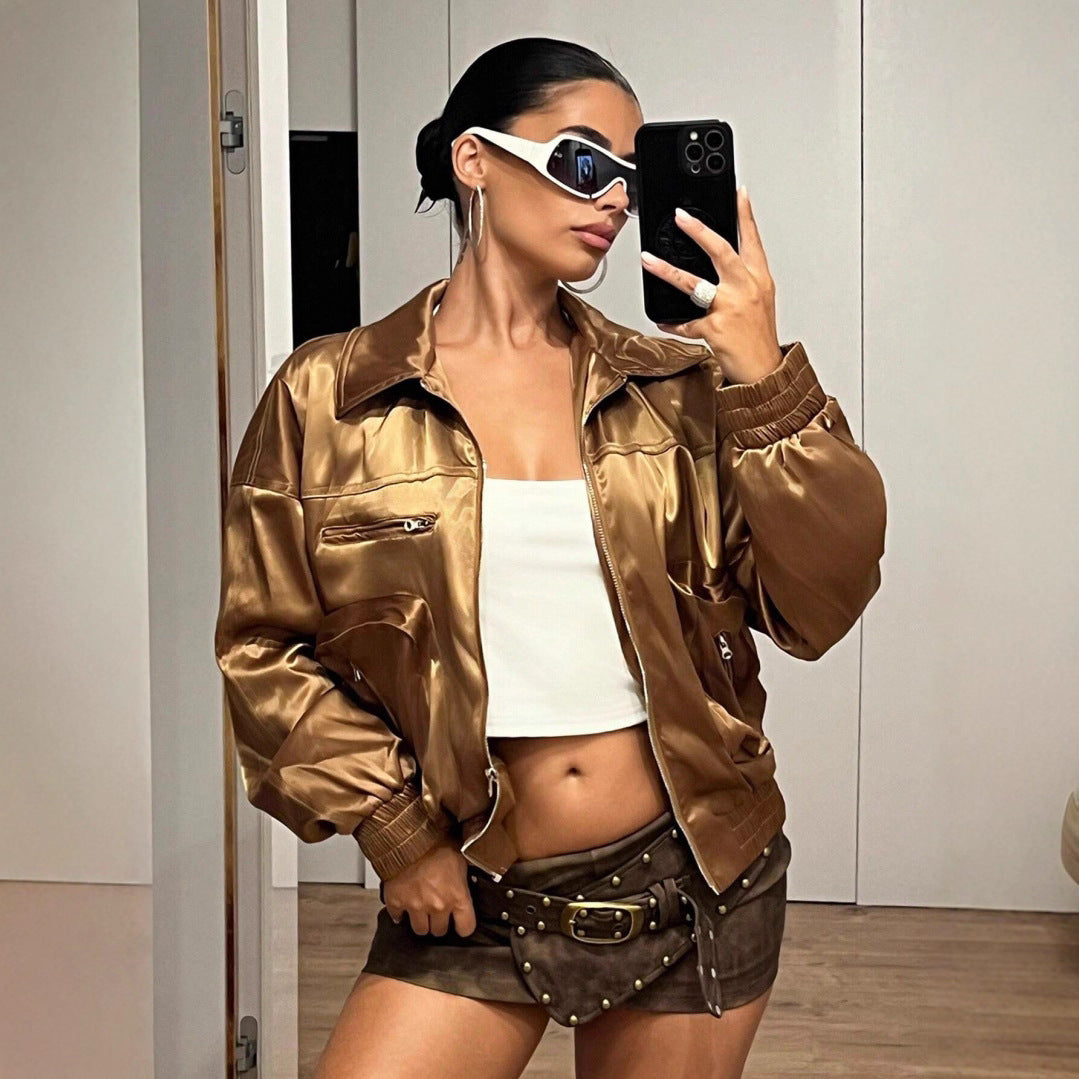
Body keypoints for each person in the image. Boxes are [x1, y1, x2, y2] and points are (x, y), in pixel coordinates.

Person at [213, 36, 887, 1079]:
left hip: (693, 876)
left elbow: (820, 601)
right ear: (473, 159)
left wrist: (762, 376)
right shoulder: (329, 395)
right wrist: (395, 831)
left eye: (631, 173)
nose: (613, 197)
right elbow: (264, 646)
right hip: (470, 880)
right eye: (582, 161)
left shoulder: (674, 389)